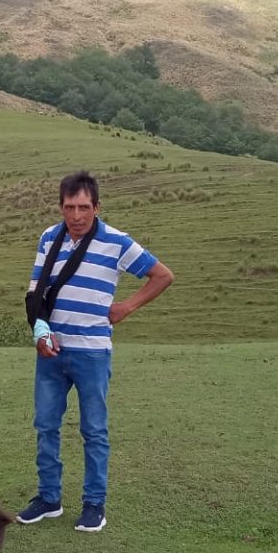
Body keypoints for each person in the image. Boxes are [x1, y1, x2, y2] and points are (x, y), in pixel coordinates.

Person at [17, 171, 173, 533]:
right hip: (52, 351)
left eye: (84, 207)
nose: (76, 215)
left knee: (94, 431)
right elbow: (36, 292)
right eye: (69, 207)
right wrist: (39, 331)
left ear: (97, 207)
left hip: (92, 352)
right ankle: (48, 498)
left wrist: (127, 307)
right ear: (61, 207)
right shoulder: (49, 238)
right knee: (45, 426)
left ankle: (94, 504)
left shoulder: (117, 242)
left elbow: (163, 275)